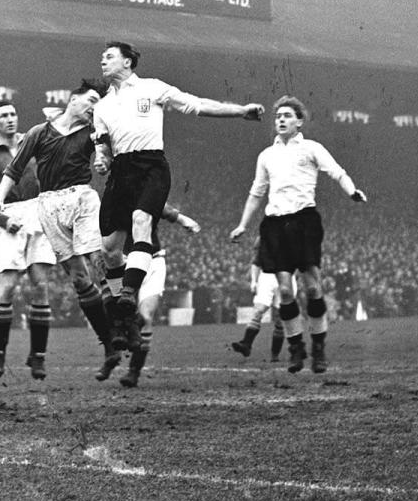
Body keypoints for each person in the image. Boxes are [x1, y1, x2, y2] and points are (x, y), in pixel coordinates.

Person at [94, 41, 264, 351]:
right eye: (102, 57)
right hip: (121, 172)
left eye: (109, 57)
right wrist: (102, 159)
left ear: (128, 63)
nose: (102, 61)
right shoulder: (102, 107)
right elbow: (103, 149)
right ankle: (124, 314)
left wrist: (240, 111)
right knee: (109, 249)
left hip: (151, 166)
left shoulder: (152, 88)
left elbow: (196, 104)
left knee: (141, 219)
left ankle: (129, 294)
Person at [0, 79, 121, 382]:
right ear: (73, 100)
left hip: (72, 203)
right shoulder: (35, 134)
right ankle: (111, 342)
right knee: (65, 278)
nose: (93, 107)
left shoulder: (91, 132)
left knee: (89, 267)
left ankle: (115, 335)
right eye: (90, 100)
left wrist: (103, 161)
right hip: (37, 210)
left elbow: (105, 152)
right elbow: (13, 169)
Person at [230, 95, 366, 374]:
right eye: (278, 115)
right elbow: (257, 192)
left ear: (299, 121)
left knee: (313, 288)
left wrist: (352, 190)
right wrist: (243, 224)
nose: (281, 119)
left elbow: (337, 172)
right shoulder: (266, 155)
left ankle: (318, 348)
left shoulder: (312, 148)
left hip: (304, 222)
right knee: (283, 290)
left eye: (287, 115)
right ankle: (295, 348)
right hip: (275, 225)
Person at [0, 100, 56, 380]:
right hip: (9, 219)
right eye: (3, 116)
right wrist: (4, 221)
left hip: (39, 215)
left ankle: (38, 357)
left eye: (13, 114)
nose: (10, 119)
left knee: (40, 286)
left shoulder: (32, 146)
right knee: (7, 288)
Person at [103, 203, 201, 388]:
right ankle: (112, 355)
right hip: (123, 263)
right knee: (117, 315)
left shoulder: (145, 194)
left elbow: (161, 206)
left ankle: (133, 372)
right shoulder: (113, 199)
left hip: (153, 260)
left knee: (146, 316)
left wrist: (182, 219)